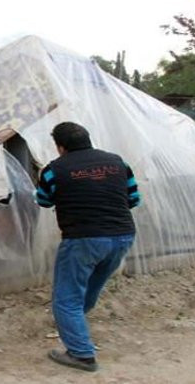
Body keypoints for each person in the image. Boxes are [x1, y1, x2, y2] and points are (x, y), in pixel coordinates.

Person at [34, 122, 141, 372]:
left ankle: (81, 354)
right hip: (123, 235)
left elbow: (43, 200)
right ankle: (75, 326)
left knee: (66, 298)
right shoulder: (117, 163)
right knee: (90, 287)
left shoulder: (54, 170)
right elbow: (133, 199)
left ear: (60, 147)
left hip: (83, 238)